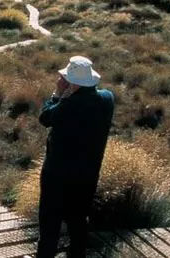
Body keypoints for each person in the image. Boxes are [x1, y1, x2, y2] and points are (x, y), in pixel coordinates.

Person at [36, 56, 114, 258]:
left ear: (72, 82)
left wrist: (58, 94)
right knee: (78, 220)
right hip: (88, 175)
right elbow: (92, 100)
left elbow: (45, 117)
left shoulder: (68, 106)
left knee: (50, 223)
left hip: (57, 176)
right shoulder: (107, 99)